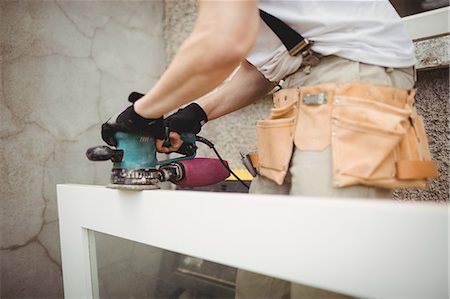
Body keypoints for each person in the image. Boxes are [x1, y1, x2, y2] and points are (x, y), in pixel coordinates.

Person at [102, 0, 435, 298]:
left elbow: (220, 43)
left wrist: (140, 114)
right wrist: (192, 115)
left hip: (355, 78)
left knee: (321, 270)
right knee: (261, 267)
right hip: (299, 88)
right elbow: (265, 67)